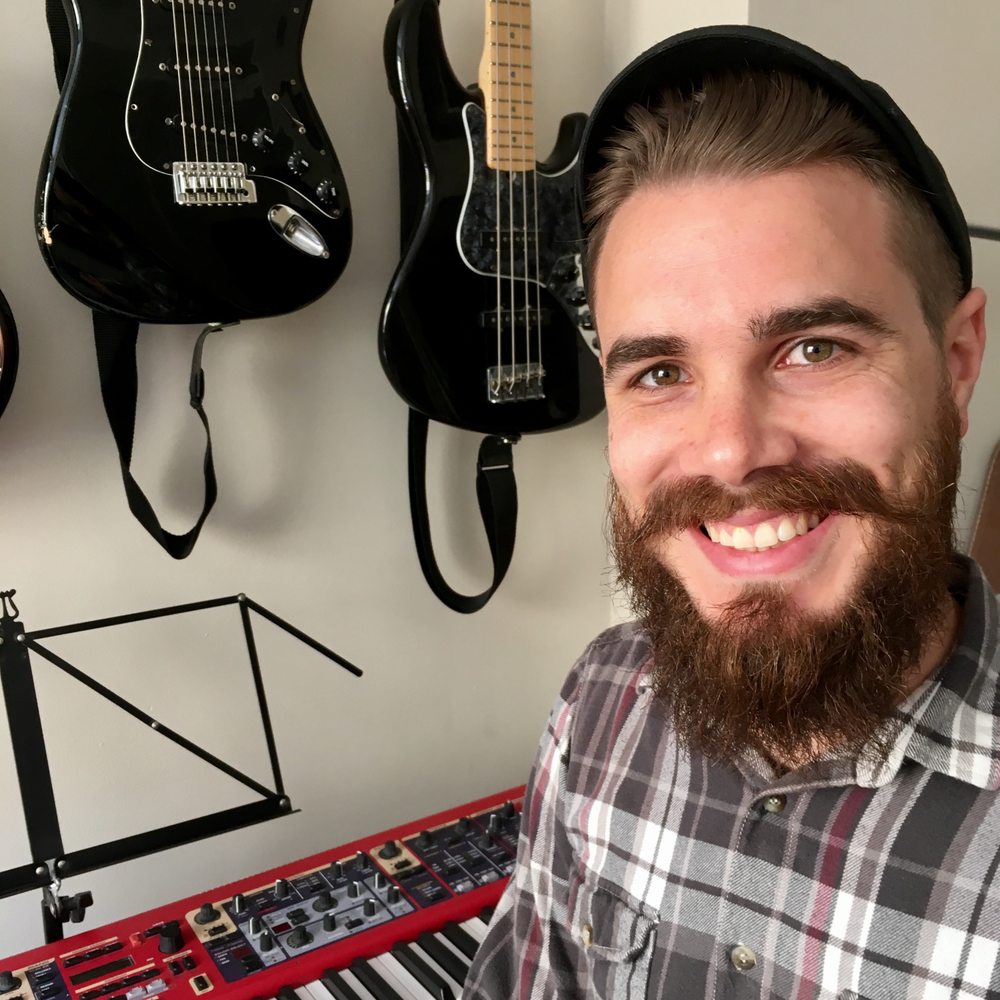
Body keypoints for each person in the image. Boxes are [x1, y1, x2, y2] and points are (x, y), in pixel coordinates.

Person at [463, 24, 995, 1000]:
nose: (730, 451)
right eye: (660, 372)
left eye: (814, 348)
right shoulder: (601, 699)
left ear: (956, 365)